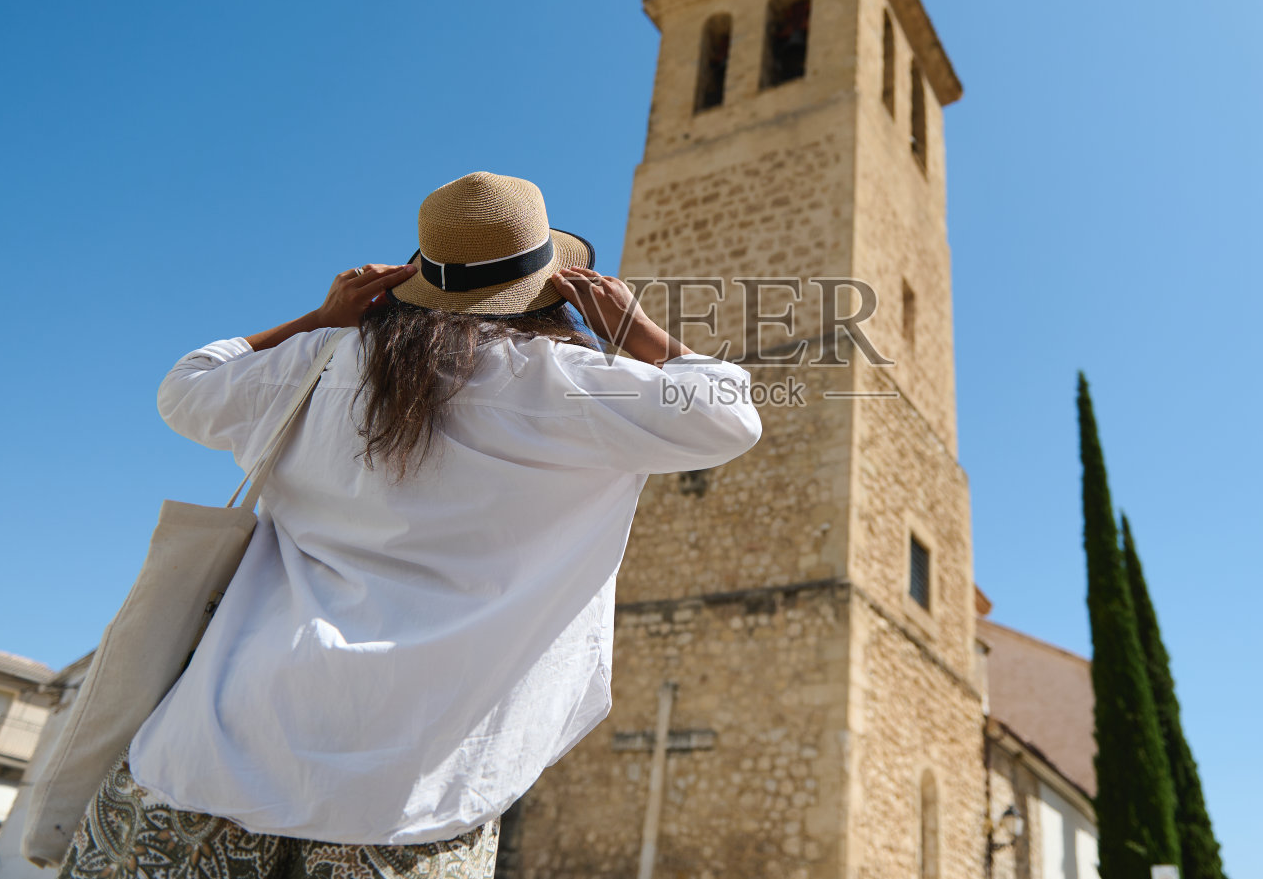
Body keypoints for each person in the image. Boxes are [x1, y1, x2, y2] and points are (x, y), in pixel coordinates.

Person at [57, 172, 762, 879]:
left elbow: (187, 384)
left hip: (213, 750)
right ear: (551, 284)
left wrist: (322, 318)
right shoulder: (569, 382)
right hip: (410, 796)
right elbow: (729, 411)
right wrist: (635, 329)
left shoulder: (327, 361)